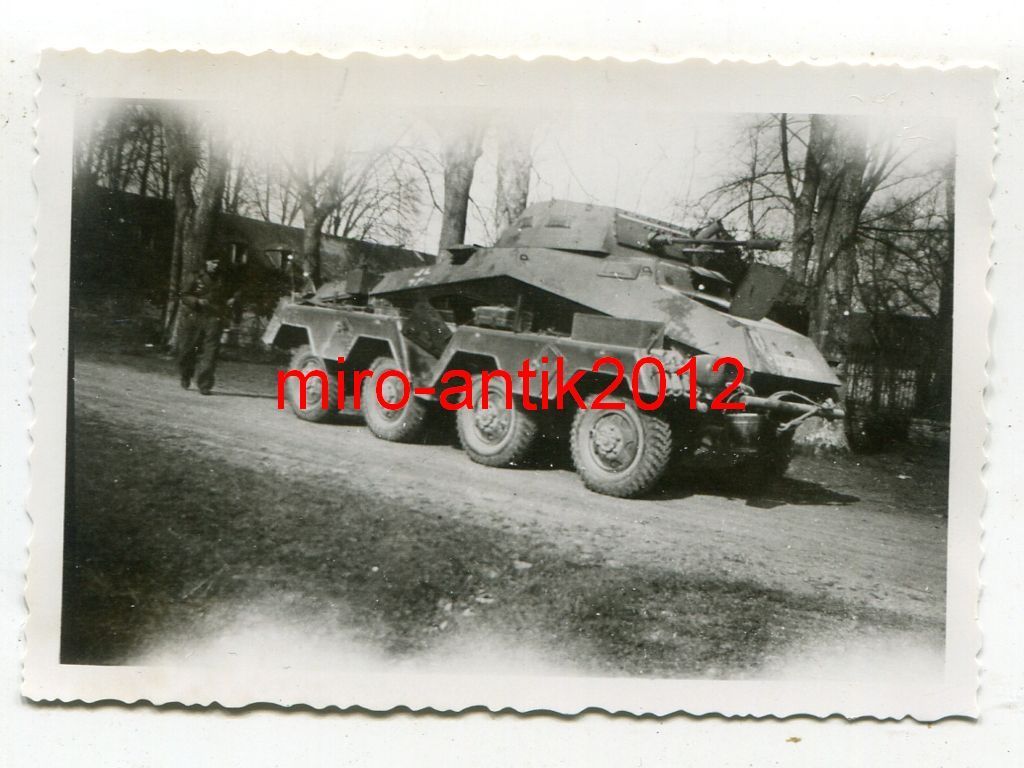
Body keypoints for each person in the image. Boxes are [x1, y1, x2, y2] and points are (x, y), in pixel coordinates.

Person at [177, 257, 238, 395]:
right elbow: (184, 295)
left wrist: (233, 298)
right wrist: (197, 301)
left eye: (218, 263)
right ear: (206, 262)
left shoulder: (224, 278)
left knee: (210, 352)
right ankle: (185, 375)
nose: (216, 266)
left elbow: (234, 291)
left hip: (213, 317)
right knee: (187, 350)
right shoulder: (195, 276)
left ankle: (205, 384)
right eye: (213, 262)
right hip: (194, 317)